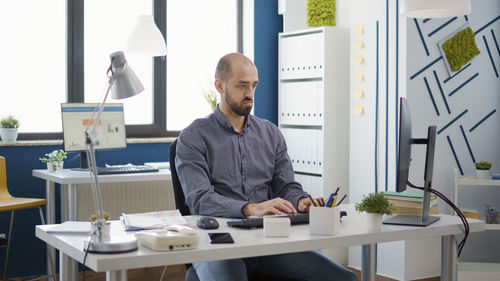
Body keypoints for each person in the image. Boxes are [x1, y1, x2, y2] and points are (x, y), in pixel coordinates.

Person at [175, 53, 358, 281]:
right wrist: (250, 208)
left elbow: (287, 186)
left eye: (254, 85)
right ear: (219, 86)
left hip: (268, 242)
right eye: (242, 86)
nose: (250, 94)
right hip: (217, 245)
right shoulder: (194, 137)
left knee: (346, 279)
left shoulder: (270, 133)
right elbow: (199, 199)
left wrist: (300, 200)